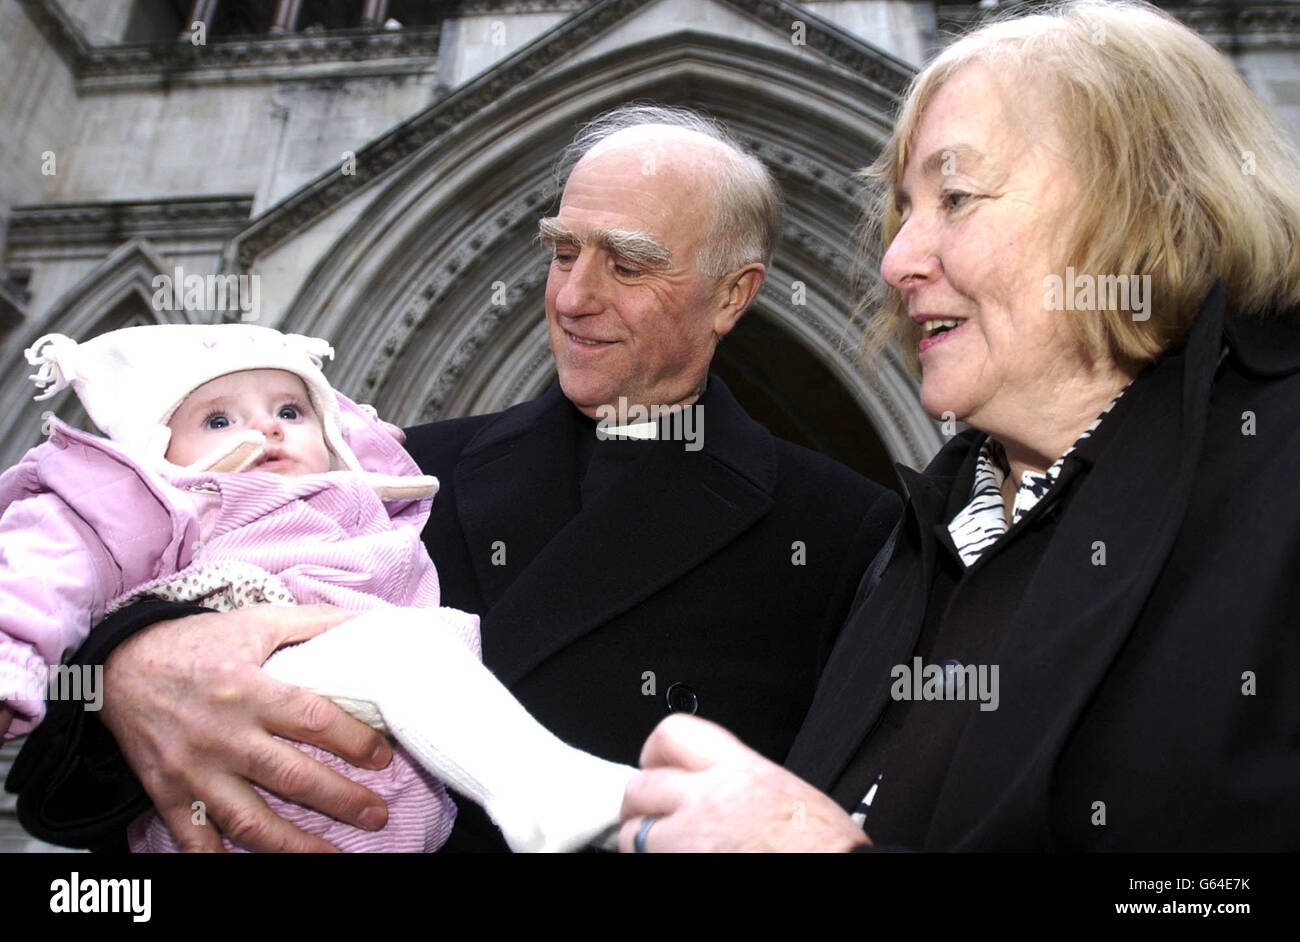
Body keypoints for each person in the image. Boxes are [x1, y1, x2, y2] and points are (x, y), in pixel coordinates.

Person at [7, 106, 902, 852]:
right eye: (562, 251)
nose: (572, 296)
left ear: (733, 295)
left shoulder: (844, 530)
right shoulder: (392, 476)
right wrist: (130, 675)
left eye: (625, 263)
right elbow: (55, 789)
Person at [617, 0, 1300, 852]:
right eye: (905, 208)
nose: (897, 260)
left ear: (1147, 202)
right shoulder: (920, 541)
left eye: (958, 196)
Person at [0, 323, 635, 853]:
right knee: (407, 650)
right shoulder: (164, 501)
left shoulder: (359, 501)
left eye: (289, 410)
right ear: (159, 450)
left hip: (375, 810)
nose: (267, 429)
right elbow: (37, 571)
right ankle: (553, 800)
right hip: (254, 706)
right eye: (219, 419)